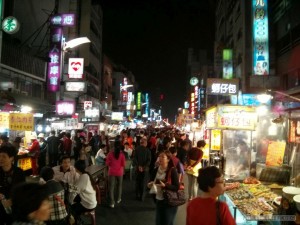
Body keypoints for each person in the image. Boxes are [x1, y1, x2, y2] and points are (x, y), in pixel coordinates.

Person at [147, 150, 180, 225]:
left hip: (169, 201)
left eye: (163, 157)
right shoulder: (155, 170)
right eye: (159, 156)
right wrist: (149, 185)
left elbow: (177, 187)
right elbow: (150, 182)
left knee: (167, 222)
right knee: (159, 222)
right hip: (159, 199)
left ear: (168, 159)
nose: (160, 158)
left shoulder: (172, 170)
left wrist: (165, 186)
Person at [0, 144, 26, 225]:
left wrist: (12, 200)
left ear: (11, 158)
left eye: (4, 156)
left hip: (14, 209)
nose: (0, 159)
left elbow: (22, 191)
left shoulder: (19, 172)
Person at [106, 140, 126, 208]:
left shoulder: (110, 154)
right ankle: (118, 198)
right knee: (119, 185)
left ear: (113, 146)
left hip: (111, 172)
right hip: (120, 172)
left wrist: (111, 164)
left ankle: (112, 203)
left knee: (111, 187)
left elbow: (107, 163)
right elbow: (123, 164)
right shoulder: (122, 155)